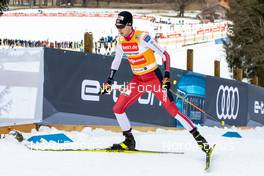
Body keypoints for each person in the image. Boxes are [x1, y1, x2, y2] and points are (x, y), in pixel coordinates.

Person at [99, 11, 211, 154]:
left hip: (153, 79)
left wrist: (166, 76)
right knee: (118, 108)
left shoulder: (143, 37)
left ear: (129, 25)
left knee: (173, 111)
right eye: (117, 27)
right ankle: (129, 141)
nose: (119, 30)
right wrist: (109, 80)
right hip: (138, 80)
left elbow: (165, 55)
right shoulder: (121, 41)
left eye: (121, 27)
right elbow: (116, 61)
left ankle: (200, 140)